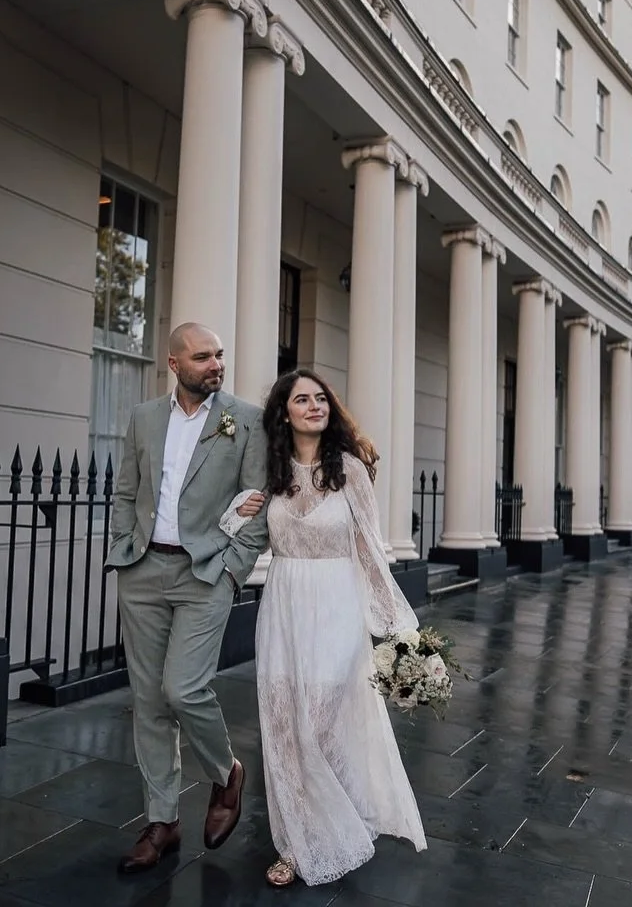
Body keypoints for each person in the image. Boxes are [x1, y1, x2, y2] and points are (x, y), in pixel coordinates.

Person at [224, 367, 426, 887]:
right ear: (284, 412)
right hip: (285, 609)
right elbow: (242, 536)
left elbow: (371, 553)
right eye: (302, 400)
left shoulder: (351, 471)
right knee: (285, 728)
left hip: (338, 609)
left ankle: (337, 820)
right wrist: (236, 513)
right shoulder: (271, 470)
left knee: (318, 722)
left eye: (321, 399)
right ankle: (294, 843)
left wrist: (400, 630)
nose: (314, 406)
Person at [106, 322, 269, 874]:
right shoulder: (144, 418)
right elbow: (126, 489)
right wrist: (122, 547)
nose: (215, 364)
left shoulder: (244, 419)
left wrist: (232, 570)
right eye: (203, 357)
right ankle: (163, 821)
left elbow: (259, 500)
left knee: (184, 688)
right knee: (149, 701)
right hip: (144, 570)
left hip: (205, 574)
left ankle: (227, 774)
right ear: (175, 364)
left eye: (219, 355)